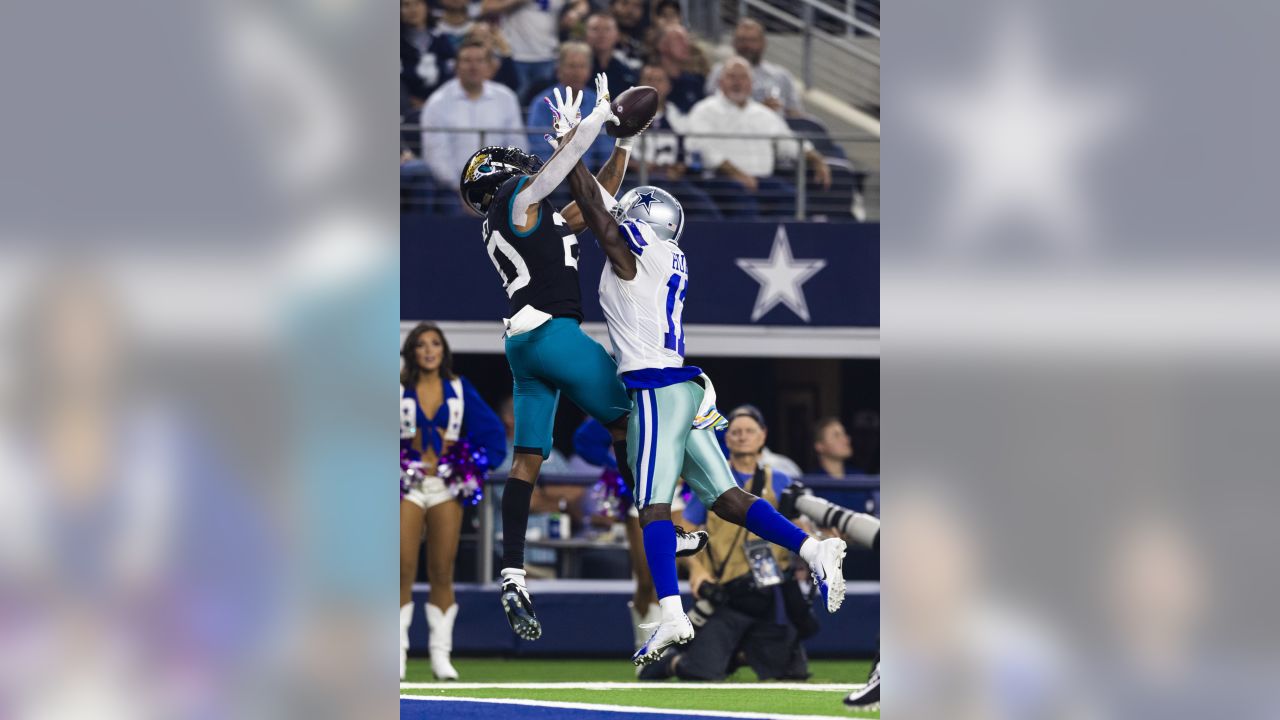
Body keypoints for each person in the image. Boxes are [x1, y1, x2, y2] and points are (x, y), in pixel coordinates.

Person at [562, 159, 849, 665]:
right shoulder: (668, 254)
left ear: (640, 223)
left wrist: (572, 154)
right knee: (728, 499)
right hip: (682, 386)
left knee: (652, 508)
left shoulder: (640, 253)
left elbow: (599, 216)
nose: (617, 223)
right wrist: (619, 146)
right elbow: (603, 211)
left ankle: (672, 613)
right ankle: (812, 549)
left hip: (655, 387)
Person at [458, 73, 699, 641]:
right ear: (499, 176)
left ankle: (512, 572)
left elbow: (596, 204)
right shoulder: (519, 197)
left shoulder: (522, 215)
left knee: (526, 462)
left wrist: (624, 143)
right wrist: (591, 119)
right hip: (554, 335)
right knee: (632, 419)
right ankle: (658, 518)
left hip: (523, 345)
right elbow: (563, 170)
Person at [639, 406, 819, 681]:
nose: (743, 437)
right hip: (729, 593)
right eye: (736, 432)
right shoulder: (712, 480)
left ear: (763, 437)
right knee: (700, 673)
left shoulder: (781, 481)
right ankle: (676, 662)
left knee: (793, 674)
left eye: (749, 431)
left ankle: (739, 654)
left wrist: (816, 544)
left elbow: (801, 526)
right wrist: (697, 569)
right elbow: (684, 529)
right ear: (727, 438)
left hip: (769, 592)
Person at [399, 323, 507, 681]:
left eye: (435, 344)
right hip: (406, 485)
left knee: (442, 570)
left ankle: (440, 656)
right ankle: (395, 655)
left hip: (446, 485)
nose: (429, 350)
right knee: (400, 568)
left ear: (444, 351)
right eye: (421, 345)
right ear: (411, 351)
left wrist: (468, 461)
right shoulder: (397, 389)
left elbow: (493, 438)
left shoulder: (460, 390)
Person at [685, 57, 830, 218]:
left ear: (751, 83)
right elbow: (702, 148)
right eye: (732, 77)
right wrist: (736, 174)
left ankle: (778, 241)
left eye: (743, 77)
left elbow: (788, 142)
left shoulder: (763, 114)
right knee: (744, 202)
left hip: (762, 180)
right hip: (721, 180)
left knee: (792, 197)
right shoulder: (704, 110)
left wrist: (815, 158)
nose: (737, 82)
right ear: (720, 82)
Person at [420, 40, 525, 202]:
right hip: (451, 192)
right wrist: (462, 191)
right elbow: (436, 154)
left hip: (501, 191)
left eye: (479, 61)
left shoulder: (507, 98)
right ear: (456, 66)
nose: (473, 66)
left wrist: (501, 187)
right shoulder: (437, 103)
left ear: (489, 67)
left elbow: (517, 146)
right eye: (467, 61)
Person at [621, 64, 721, 221]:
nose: (653, 84)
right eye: (648, 79)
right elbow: (613, 153)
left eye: (659, 80)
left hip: (672, 179)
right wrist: (641, 167)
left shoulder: (678, 118)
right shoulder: (625, 114)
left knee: (706, 208)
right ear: (639, 85)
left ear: (668, 86)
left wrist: (680, 168)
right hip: (635, 179)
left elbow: (690, 154)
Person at [525, 42, 614, 171]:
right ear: (559, 70)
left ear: (589, 71)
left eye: (582, 66)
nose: (577, 72)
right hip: (550, 178)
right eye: (571, 66)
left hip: (591, 179)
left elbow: (606, 150)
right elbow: (539, 149)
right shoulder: (542, 104)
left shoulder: (599, 103)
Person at [706, 19, 804, 117]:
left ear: (763, 43)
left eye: (753, 40)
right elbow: (714, 110)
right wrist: (760, 111)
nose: (747, 46)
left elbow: (796, 115)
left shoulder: (781, 76)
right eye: (742, 40)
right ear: (734, 43)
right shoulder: (719, 72)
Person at [481, 0, 565, 102]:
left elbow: (581, 4)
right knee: (516, 101)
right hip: (517, 56)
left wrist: (576, 13)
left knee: (547, 104)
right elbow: (486, 8)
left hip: (548, 55)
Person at [401, 0, 457, 113]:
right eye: (406, 5)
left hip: (442, 104)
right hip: (406, 109)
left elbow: (452, 71)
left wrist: (434, 102)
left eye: (417, 4)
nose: (413, 10)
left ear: (427, 7)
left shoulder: (441, 39)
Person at [650, 25, 705, 114]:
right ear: (662, 45)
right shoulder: (648, 80)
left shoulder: (696, 82)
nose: (686, 44)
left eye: (686, 39)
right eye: (679, 40)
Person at [585, 11, 640, 100]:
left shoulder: (627, 73)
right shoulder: (576, 70)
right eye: (595, 29)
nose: (601, 34)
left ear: (617, 35)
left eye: (607, 29)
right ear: (585, 34)